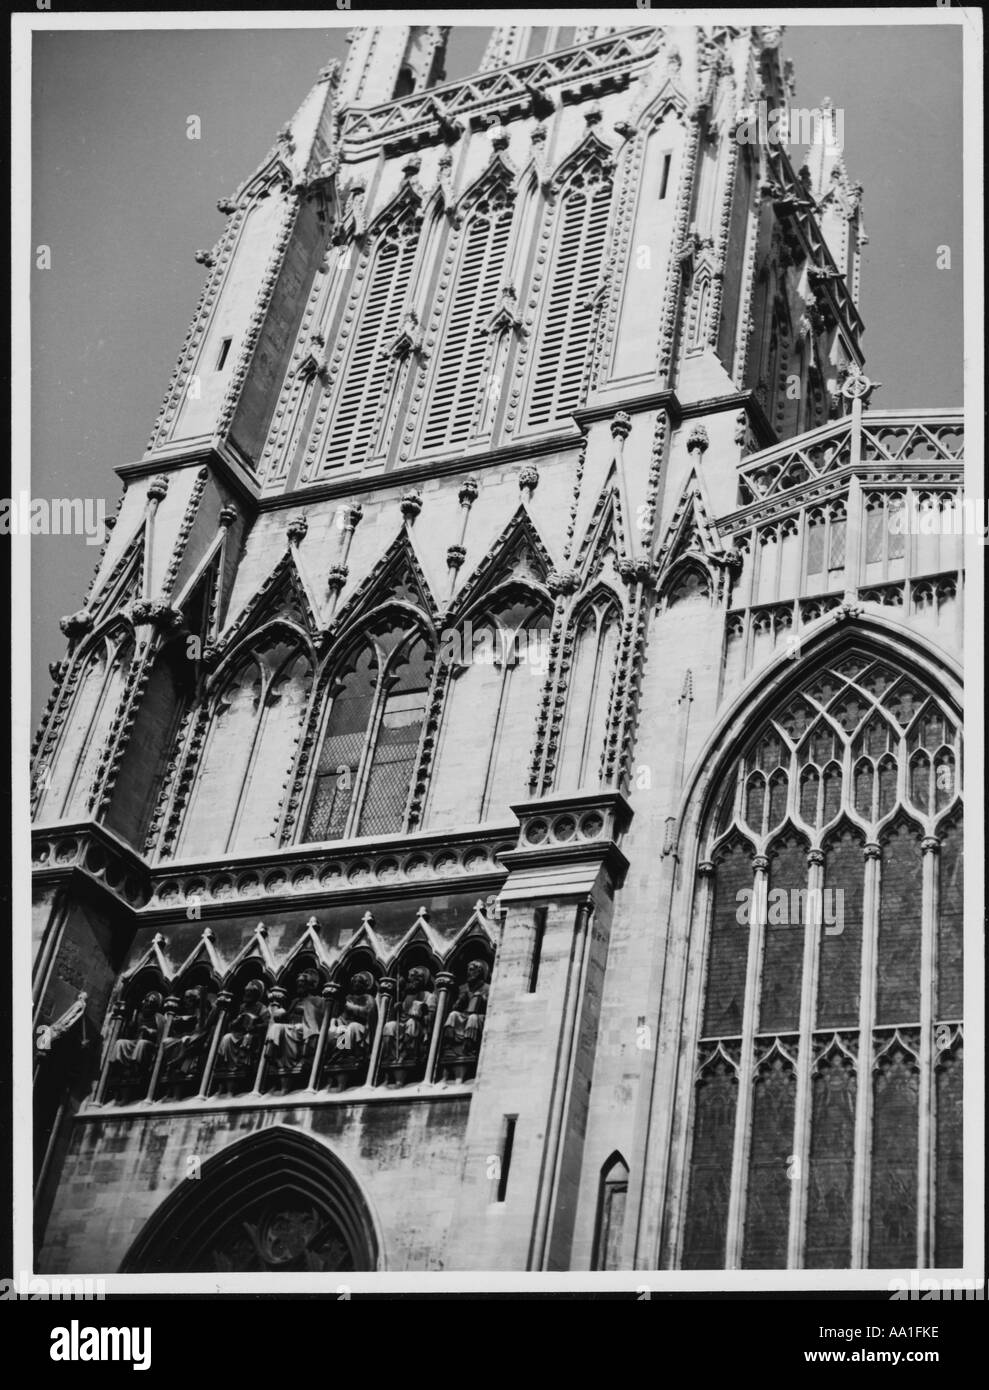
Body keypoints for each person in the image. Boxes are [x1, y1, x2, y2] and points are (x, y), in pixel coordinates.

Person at [266, 970, 324, 1091]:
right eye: (298, 983)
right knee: (276, 1027)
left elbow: (323, 1018)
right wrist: (279, 1012)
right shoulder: (295, 1001)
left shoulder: (318, 1000)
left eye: (303, 983)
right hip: (293, 1028)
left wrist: (307, 1010)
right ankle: (273, 1060)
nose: (299, 985)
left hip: (309, 1029)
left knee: (344, 1032)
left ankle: (342, 1058)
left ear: (310, 985)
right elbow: (286, 1016)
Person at [109, 991, 164, 1093]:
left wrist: (150, 1031)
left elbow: (162, 1034)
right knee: (120, 1042)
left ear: (153, 1004)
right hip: (137, 1041)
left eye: (147, 1001)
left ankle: (136, 1070)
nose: (144, 1002)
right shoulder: (139, 1015)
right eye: (145, 1000)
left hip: (151, 1045)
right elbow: (132, 1031)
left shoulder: (159, 1017)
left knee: (142, 1044)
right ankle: (121, 1070)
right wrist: (131, 1024)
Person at [216, 979, 271, 1082]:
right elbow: (231, 1025)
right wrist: (236, 1021)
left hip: (252, 1035)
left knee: (247, 1038)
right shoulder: (242, 1007)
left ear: (256, 994)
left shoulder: (261, 1007)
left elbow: (267, 1023)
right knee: (226, 1038)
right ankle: (225, 1065)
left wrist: (255, 1027)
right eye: (246, 992)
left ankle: (244, 1064)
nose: (247, 994)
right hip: (239, 1034)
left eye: (250, 992)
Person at [383, 966, 435, 1069]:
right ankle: (343, 1054)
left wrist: (423, 1012)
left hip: (417, 1028)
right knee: (389, 1026)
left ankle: (407, 1056)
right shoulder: (403, 995)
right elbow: (393, 1017)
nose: (414, 981)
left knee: (412, 1023)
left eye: (418, 978)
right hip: (401, 1026)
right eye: (412, 977)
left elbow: (431, 1020)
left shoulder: (429, 996)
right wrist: (396, 1008)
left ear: (424, 980)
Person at [442, 960, 489, 1058]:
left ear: (479, 972)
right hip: (465, 1014)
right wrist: (461, 999)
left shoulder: (487, 988)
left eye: (471, 970)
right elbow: (455, 1007)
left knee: (473, 1018)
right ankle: (449, 1046)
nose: (469, 973)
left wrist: (483, 999)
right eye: (468, 970)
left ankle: (469, 1048)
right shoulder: (464, 988)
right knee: (453, 1015)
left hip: (479, 1017)